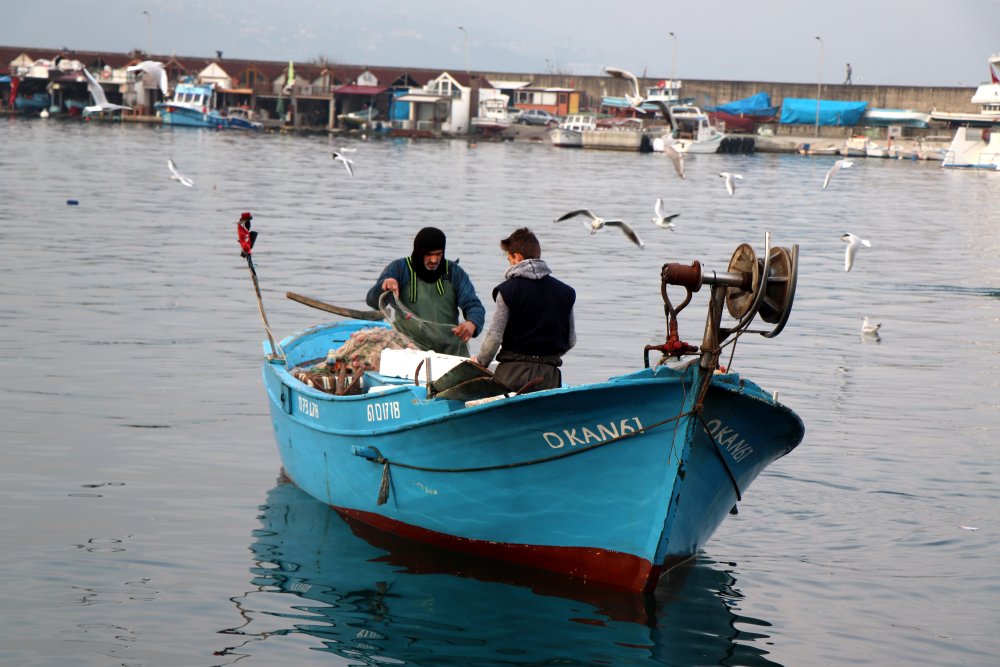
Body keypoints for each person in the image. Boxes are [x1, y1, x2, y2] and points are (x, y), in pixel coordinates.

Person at [472, 227, 576, 393]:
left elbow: (494, 337)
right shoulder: (566, 293)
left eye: (509, 260)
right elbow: (570, 341)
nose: (509, 264)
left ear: (517, 257)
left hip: (511, 375)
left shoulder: (507, 291)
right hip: (549, 377)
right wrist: (545, 357)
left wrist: (480, 362)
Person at [366, 226, 485, 356]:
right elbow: (372, 301)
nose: (434, 260)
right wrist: (384, 285)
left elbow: (473, 304)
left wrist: (472, 323)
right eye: (429, 255)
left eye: (438, 254)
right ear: (419, 252)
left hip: (451, 351)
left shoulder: (454, 272)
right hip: (409, 349)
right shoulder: (399, 269)